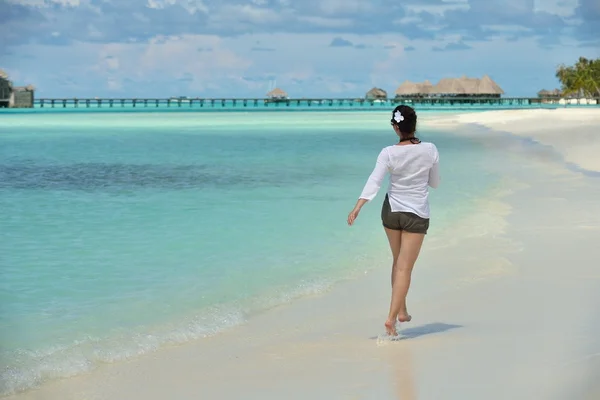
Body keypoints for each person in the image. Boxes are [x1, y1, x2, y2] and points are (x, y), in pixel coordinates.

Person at [347, 105, 440, 336]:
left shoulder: (388, 152)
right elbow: (435, 183)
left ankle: (402, 310)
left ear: (395, 127)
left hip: (391, 212)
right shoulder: (430, 149)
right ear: (414, 125)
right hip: (415, 214)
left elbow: (374, 181)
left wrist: (358, 206)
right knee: (404, 267)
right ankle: (391, 319)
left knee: (398, 262)